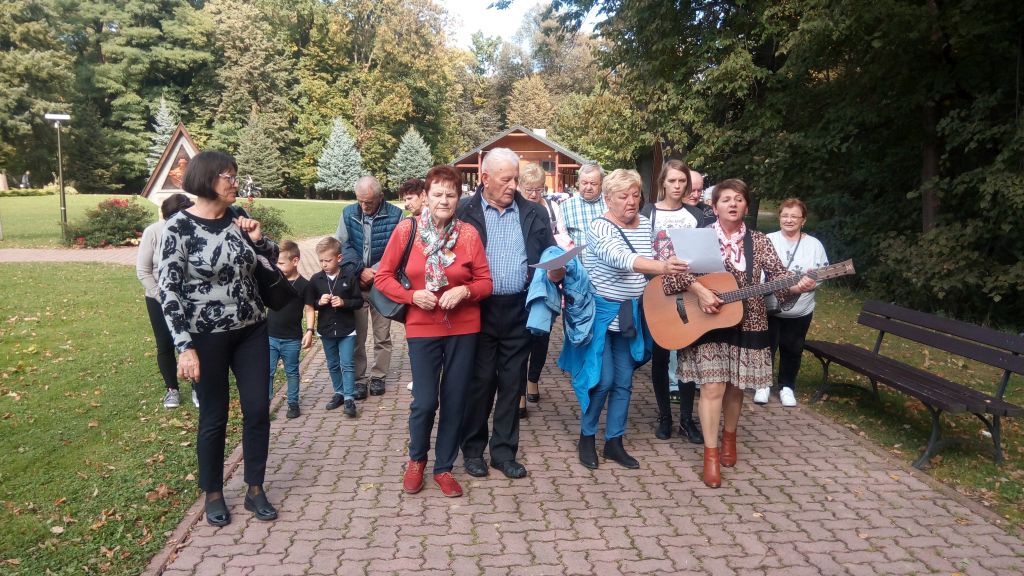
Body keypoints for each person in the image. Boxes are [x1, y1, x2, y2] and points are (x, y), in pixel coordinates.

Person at [662, 179, 816, 488]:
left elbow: (779, 277)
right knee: (713, 387)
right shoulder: (696, 238)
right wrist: (700, 289)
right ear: (714, 206)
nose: (733, 204)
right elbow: (669, 278)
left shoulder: (759, 241)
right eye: (726, 199)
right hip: (706, 323)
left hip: (750, 321)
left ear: (746, 206)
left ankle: (729, 438)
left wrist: (796, 286)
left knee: (735, 387)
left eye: (739, 200)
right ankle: (710, 453)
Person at [158, 150, 278, 526]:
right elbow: (168, 291)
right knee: (214, 415)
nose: (234, 182)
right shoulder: (178, 227)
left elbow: (270, 260)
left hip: (252, 328)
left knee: (258, 409)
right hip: (205, 336)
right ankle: (212, 492)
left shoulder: (239, 217)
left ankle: (255, 488)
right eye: (228, 175)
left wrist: (259, 240)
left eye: (235, 175)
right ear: (207, 178)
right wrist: (183, 346)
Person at [376, 165, 493, 497]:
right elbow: (383, 277)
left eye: (451, 194)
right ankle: (417, 460)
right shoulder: (407, 231)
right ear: (426, 197)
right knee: (425, 401)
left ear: (459, 198)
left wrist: (466, 291)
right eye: (438, 194)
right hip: (422, 326)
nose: (444, 200)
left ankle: (444, 467)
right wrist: (411, 295)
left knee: (456, 399)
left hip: (463, 328)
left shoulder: (468, 234)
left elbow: (486, 281)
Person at [561, 169, 689, 470]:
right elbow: (619, 258)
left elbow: (664, 251)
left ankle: (614, 442)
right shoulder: (599, 227)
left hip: (631, 314)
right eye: (623, 196)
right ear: (608, 198)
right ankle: (587, 437)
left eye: (635, 195)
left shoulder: (646, 224)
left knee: (624, 382)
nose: (631, 202)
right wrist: (661, 266)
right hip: (601, 316)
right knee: (601, 380)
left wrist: (677, 266)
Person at [458, 148, 557, 480]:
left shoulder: (533, 213)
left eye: (516, 178)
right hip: (479, 311)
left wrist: (557, 269)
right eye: (506, 179)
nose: (513, 185)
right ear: (484, 178)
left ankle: (503, 453)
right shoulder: (465, 212)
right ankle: (473, 451)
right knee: (481, 383)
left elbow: (548, 251)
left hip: (520, 308)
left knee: (512, 384)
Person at [639, 160, 710, 443]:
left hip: (688, 292)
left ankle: (686, 418)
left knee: (687, 354)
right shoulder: (648, 214)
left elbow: (704, 256)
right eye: (673, 181)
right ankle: (664, 415)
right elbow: (643, 253)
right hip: (656, 292)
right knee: (660, 353)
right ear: (663, 183)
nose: (678, 186)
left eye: (683, 182)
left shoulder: (698, 216)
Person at [336, 176, 403, 398]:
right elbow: (342, 245)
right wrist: (359, 270)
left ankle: (378, 376)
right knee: (357, 335)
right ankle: (359, 378)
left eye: (370, 202)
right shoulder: (348, 213)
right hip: (355, 284)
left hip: (383, 284)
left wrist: (375, 272)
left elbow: (398, 250)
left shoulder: (396, 215)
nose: (364, 206)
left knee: (382, 334)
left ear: (380, 197)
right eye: (361, 201)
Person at [764, 198, 829, 407]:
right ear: (779, 217)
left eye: (794, 216)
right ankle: (762, 385)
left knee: (793, 348)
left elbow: (822, 274)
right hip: (770, 307)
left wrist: (811, 284)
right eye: (785, 215)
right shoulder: (768, 240)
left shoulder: (814, 245)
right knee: (766, 346)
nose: (789, 220)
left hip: (800, 310)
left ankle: (787, 387)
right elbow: (758, 273)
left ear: (803, 220)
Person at [517, 162, 569, 418]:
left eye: (538, 189)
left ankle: (533, 380)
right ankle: (518, 394)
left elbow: (549, 243)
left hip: (542, 281)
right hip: (518, 283)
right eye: (529, 189)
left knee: (541, 335)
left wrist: (556, 261)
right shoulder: (513, 209)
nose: (534, 194)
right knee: (519, 339)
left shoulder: (543, 211)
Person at [137, 193, 196, 410]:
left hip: (189, 298)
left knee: (194, 341)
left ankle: (198, 388)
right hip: (158, 299)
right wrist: (163, 297)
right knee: (165, 343)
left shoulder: (192, 229)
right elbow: (143, 271)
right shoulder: (153, 232)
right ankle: (172, 390)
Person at [307, 236, 364, 417]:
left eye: (328, 260)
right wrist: (319, 302)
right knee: (332, 364)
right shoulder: (316, 279)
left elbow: (359, 301)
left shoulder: (349, 277)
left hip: (347, 330)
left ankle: (349, 397)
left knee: (347, 363)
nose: (324, 264)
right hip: (326, 330)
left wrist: (344, 302)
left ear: (339, 258)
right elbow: (311, 304)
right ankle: (338, 392)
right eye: (321, 260)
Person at [267, 240, 312, 418]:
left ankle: (293, 403)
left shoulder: (304, 285)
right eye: (276, 263)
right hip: (270, 335)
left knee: (292, 372)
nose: (278, 266)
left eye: (281, 263)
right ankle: (265, 404)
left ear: (295, 261)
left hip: (292, 338)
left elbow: (309, 309)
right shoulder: (274, 281)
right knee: (267, 372)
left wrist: (309, 330)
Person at [399, 178, 427, 392]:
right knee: (415, 338)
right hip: (414, 292)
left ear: (423, 196)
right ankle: (421, 377)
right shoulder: (408, 223)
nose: (406, 203)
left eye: (410, 198)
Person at [560, 163, 606, 249]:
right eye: (584, 183)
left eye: (593, 183)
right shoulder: (565, 207)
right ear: (578, 182)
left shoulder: (610, 204)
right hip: (576, 262)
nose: (588, 187)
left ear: (601, 184)